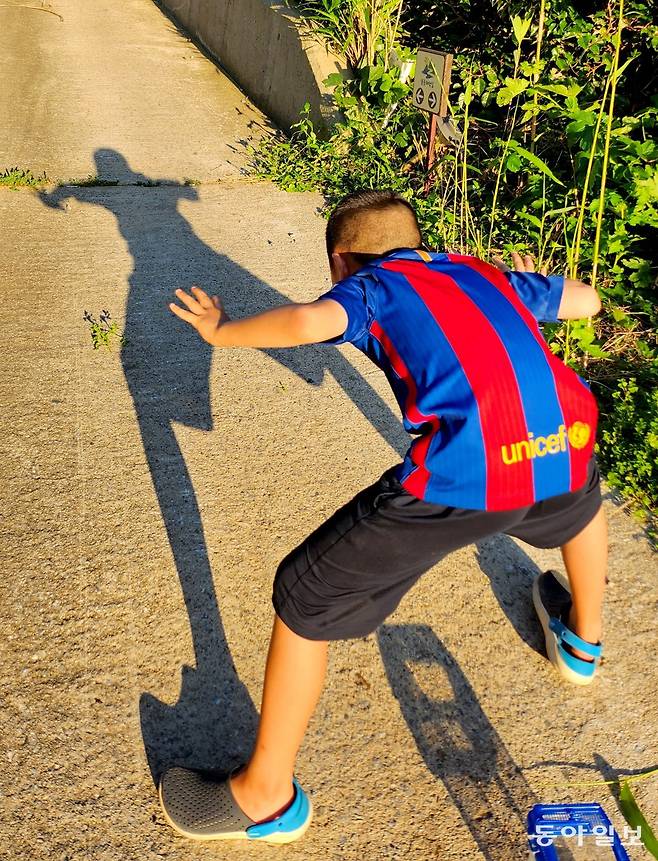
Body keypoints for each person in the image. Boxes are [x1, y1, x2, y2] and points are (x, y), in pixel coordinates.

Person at [158, 189, 607, 844]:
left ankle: (264, 797)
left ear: (340, 261)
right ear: (419, 240)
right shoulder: (480, 272)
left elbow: (307, 324)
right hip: (565, 441)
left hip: (465, 474)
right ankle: (583, 641)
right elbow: (585, 301)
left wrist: (221, 330)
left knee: (304, 594)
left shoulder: (370, 288)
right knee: (583, 495)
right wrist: (521, 284)